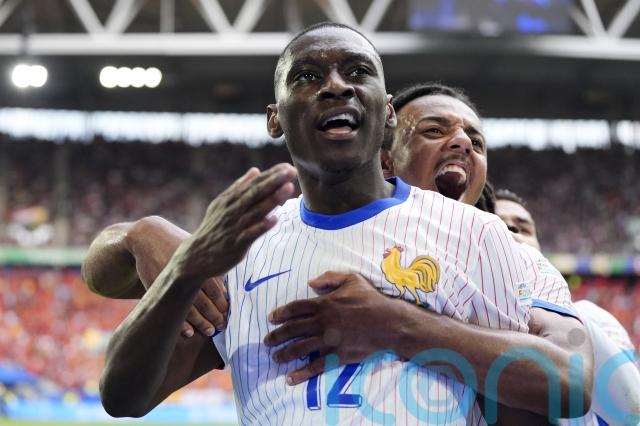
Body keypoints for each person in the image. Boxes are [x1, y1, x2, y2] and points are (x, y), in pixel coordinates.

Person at [85, 23, 533, 424]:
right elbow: (124, 396)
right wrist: (184, 269)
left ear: (389, 113)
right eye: (307, 76)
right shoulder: (243, 248)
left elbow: (527, 403)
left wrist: (402, 326)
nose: (336, 86)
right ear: (274, 118)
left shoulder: (476, 234)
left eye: (358, 71)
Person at [264, 82, 593, 423]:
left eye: (477, 141)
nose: (463, 142)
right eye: (434, 130)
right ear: (385, 162)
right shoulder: (317, 242)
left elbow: (571, 381)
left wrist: (396, 325)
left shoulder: (523, 262)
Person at [494, 188, 640, 426]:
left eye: (523, 227)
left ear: (539, 250)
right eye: (497, 222)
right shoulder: (457, 316)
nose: (510, 229)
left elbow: (633, 414)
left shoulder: (590, 319)